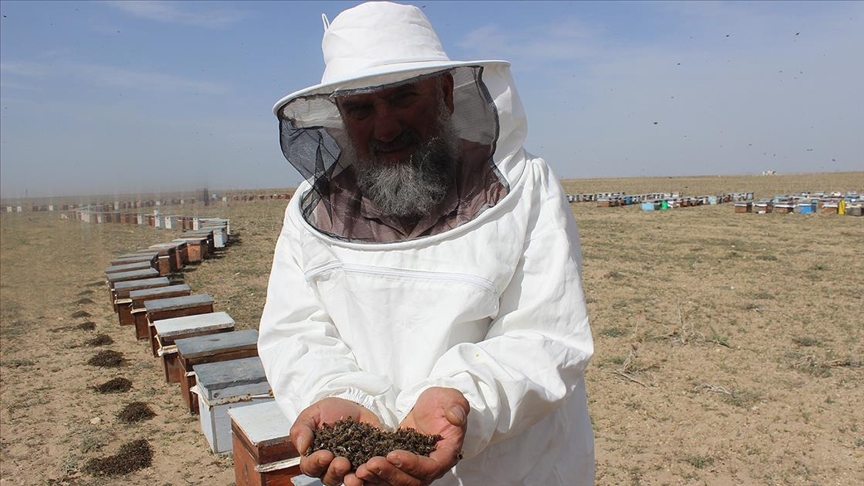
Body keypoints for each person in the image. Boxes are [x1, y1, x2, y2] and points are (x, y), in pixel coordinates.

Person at [258, 2, 595, 485]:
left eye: (402, 98)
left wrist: (463, 400)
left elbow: (545, 335)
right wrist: (334, 391)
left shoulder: (527, 188)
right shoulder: (311, 211)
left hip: (513, 471)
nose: (386, 127)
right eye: (360, 109)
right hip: (367, 471)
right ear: (340, 117)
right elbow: (296, 330)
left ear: (445, 94)